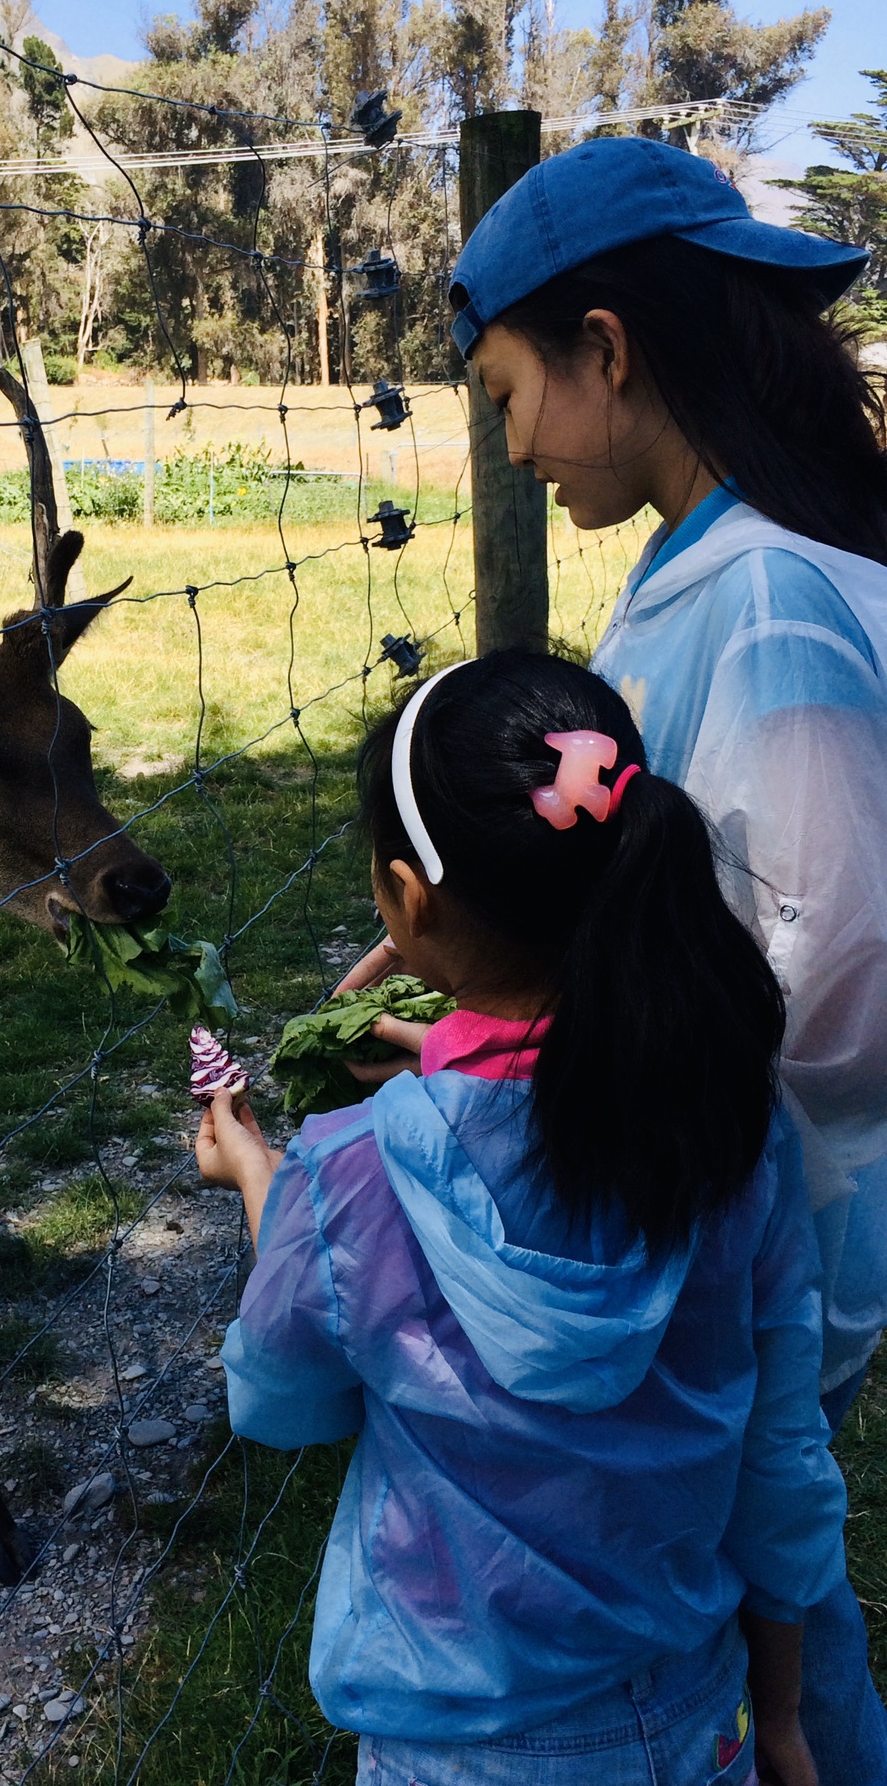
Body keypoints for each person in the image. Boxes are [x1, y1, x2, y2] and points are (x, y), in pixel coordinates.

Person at [337, 137, 887, 1779]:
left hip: (754, 1226)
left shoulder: (771, 600)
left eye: (508, 395)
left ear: (608, 349)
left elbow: (837, 986)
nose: (510, 446)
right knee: (739, 1572)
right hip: (727, 1213)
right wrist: (492, 977)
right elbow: (672, 875)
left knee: (742, 1577)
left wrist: (532, 1064)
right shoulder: (720, 569)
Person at [198, 651, 845, 1786]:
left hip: (458, 1747)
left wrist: (267, 1181)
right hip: (699, 1717)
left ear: (408, 900)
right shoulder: (733, 1131)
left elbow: (283, 1397)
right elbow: (782, 1455)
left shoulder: (349, 1175)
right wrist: (783, 1712)